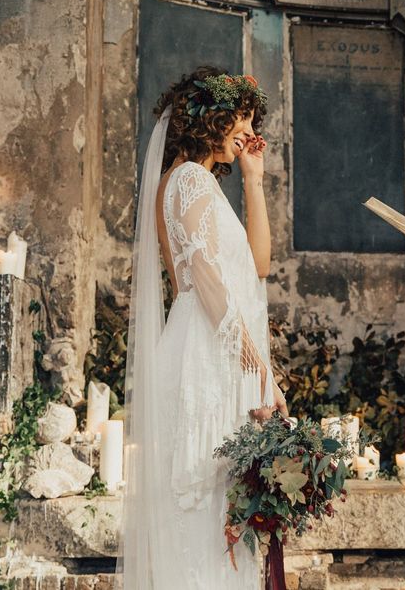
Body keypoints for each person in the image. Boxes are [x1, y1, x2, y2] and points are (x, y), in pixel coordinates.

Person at [119, 66, 288, 589]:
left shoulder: (194, 184)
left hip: (214, 351)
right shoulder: (189, 178)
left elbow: (259, 265)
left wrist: (256, 181)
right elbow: (209, 282)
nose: (248, 127)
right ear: (210, 117)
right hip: (209, 357)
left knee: (218, 517)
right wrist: (264, 373)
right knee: (208, 514)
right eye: (242, 116)